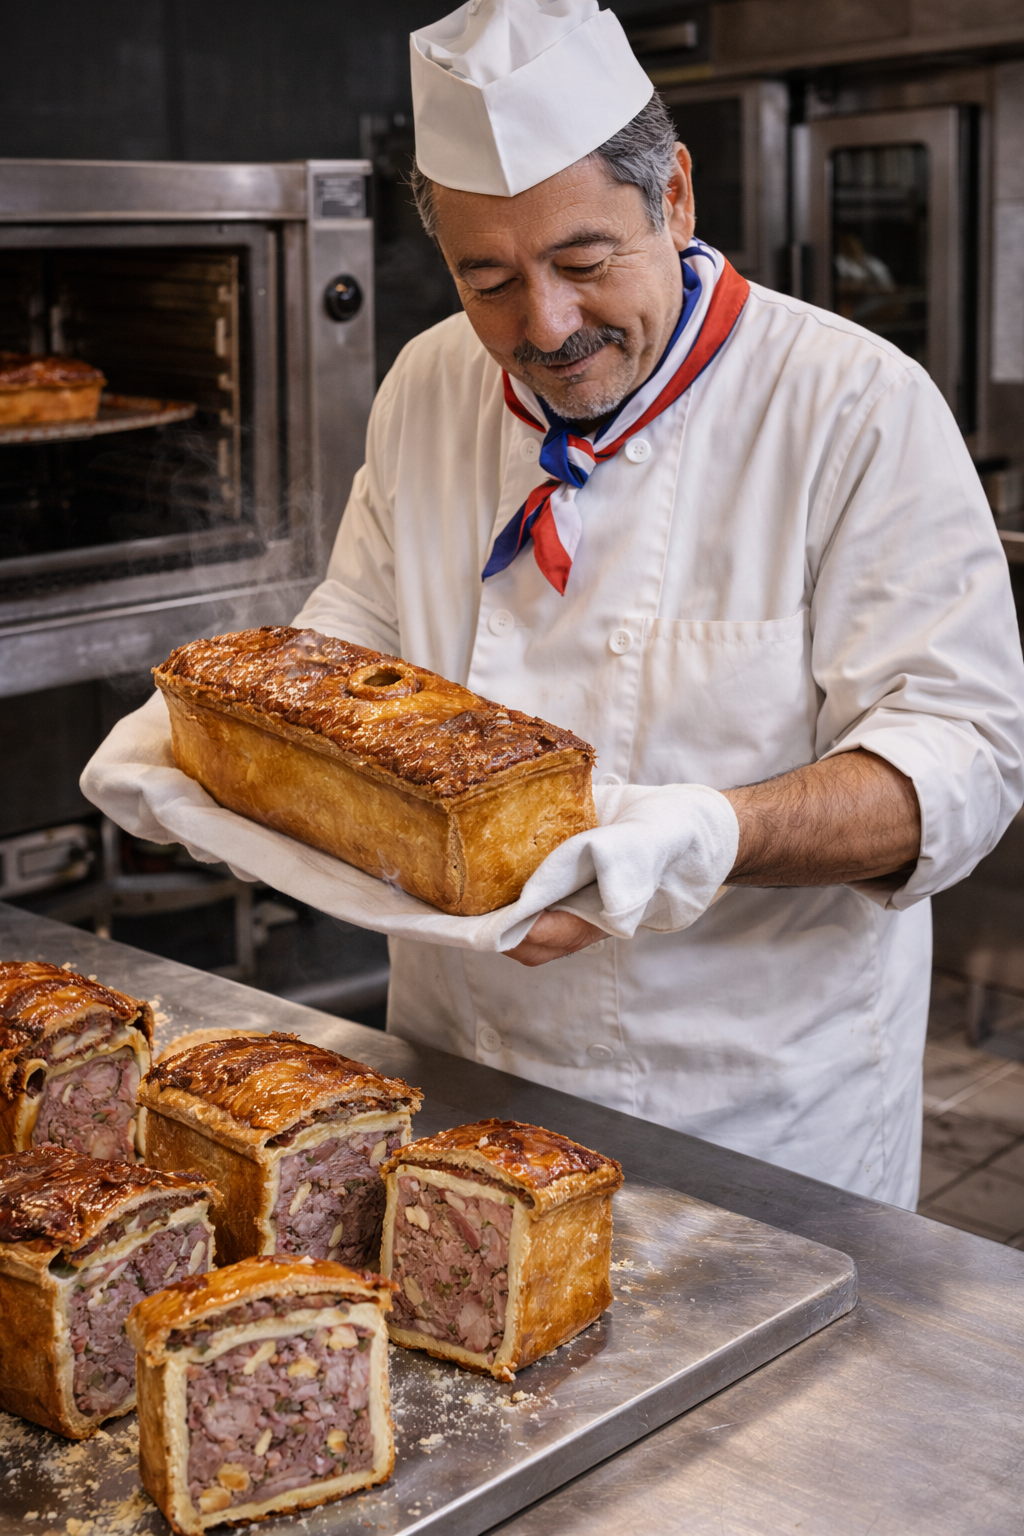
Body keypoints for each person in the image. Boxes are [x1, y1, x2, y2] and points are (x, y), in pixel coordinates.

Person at [293, 0, 1024, 1207]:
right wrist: (226, 748)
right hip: (462, 1072)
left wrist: (707, 834)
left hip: (756, 1119)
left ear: (674, 197)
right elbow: (348, 651)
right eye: (488, 280)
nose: (546, 326)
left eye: (584, 263)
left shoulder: (849, 405)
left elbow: (963, 761)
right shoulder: (428, 384)